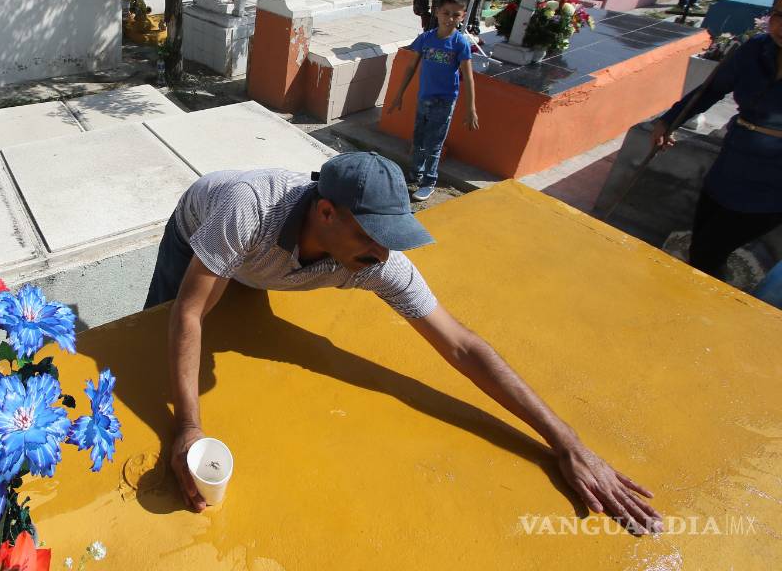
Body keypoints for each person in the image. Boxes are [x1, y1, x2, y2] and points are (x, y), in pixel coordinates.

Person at [144, 151, 661, 534]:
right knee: (161, 329)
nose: (384, 253)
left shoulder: (375, 262)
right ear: (326, 213)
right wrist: (188, 428)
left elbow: (461, 345)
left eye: (393, 237)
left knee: (234, 303)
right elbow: (189, 313)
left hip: (260, 262)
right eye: (372, 234)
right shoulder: (245, 209)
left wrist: (566, 443)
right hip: (197, 231)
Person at [651, 0, 782, 279]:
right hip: (731, 165)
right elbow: (711, 89)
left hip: (773, 183)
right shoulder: (756, 50)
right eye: (778, 15)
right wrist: (671, 119)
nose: (780, 26)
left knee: (709, 251)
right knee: (702, 245)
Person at [386, 0, 480, 202]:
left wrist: (470, 108)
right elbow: (411, 67)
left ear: (462, 17)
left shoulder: (460, 44)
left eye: (456, 15)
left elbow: (469, 77)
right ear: (437, 12)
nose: (449, 18)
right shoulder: (426, 39)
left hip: (444, 102)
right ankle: (415, 174)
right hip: (424, 98)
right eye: (446, 13)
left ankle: (429, 181)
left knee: (433, 144)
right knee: (418, 138)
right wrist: (399, 95)